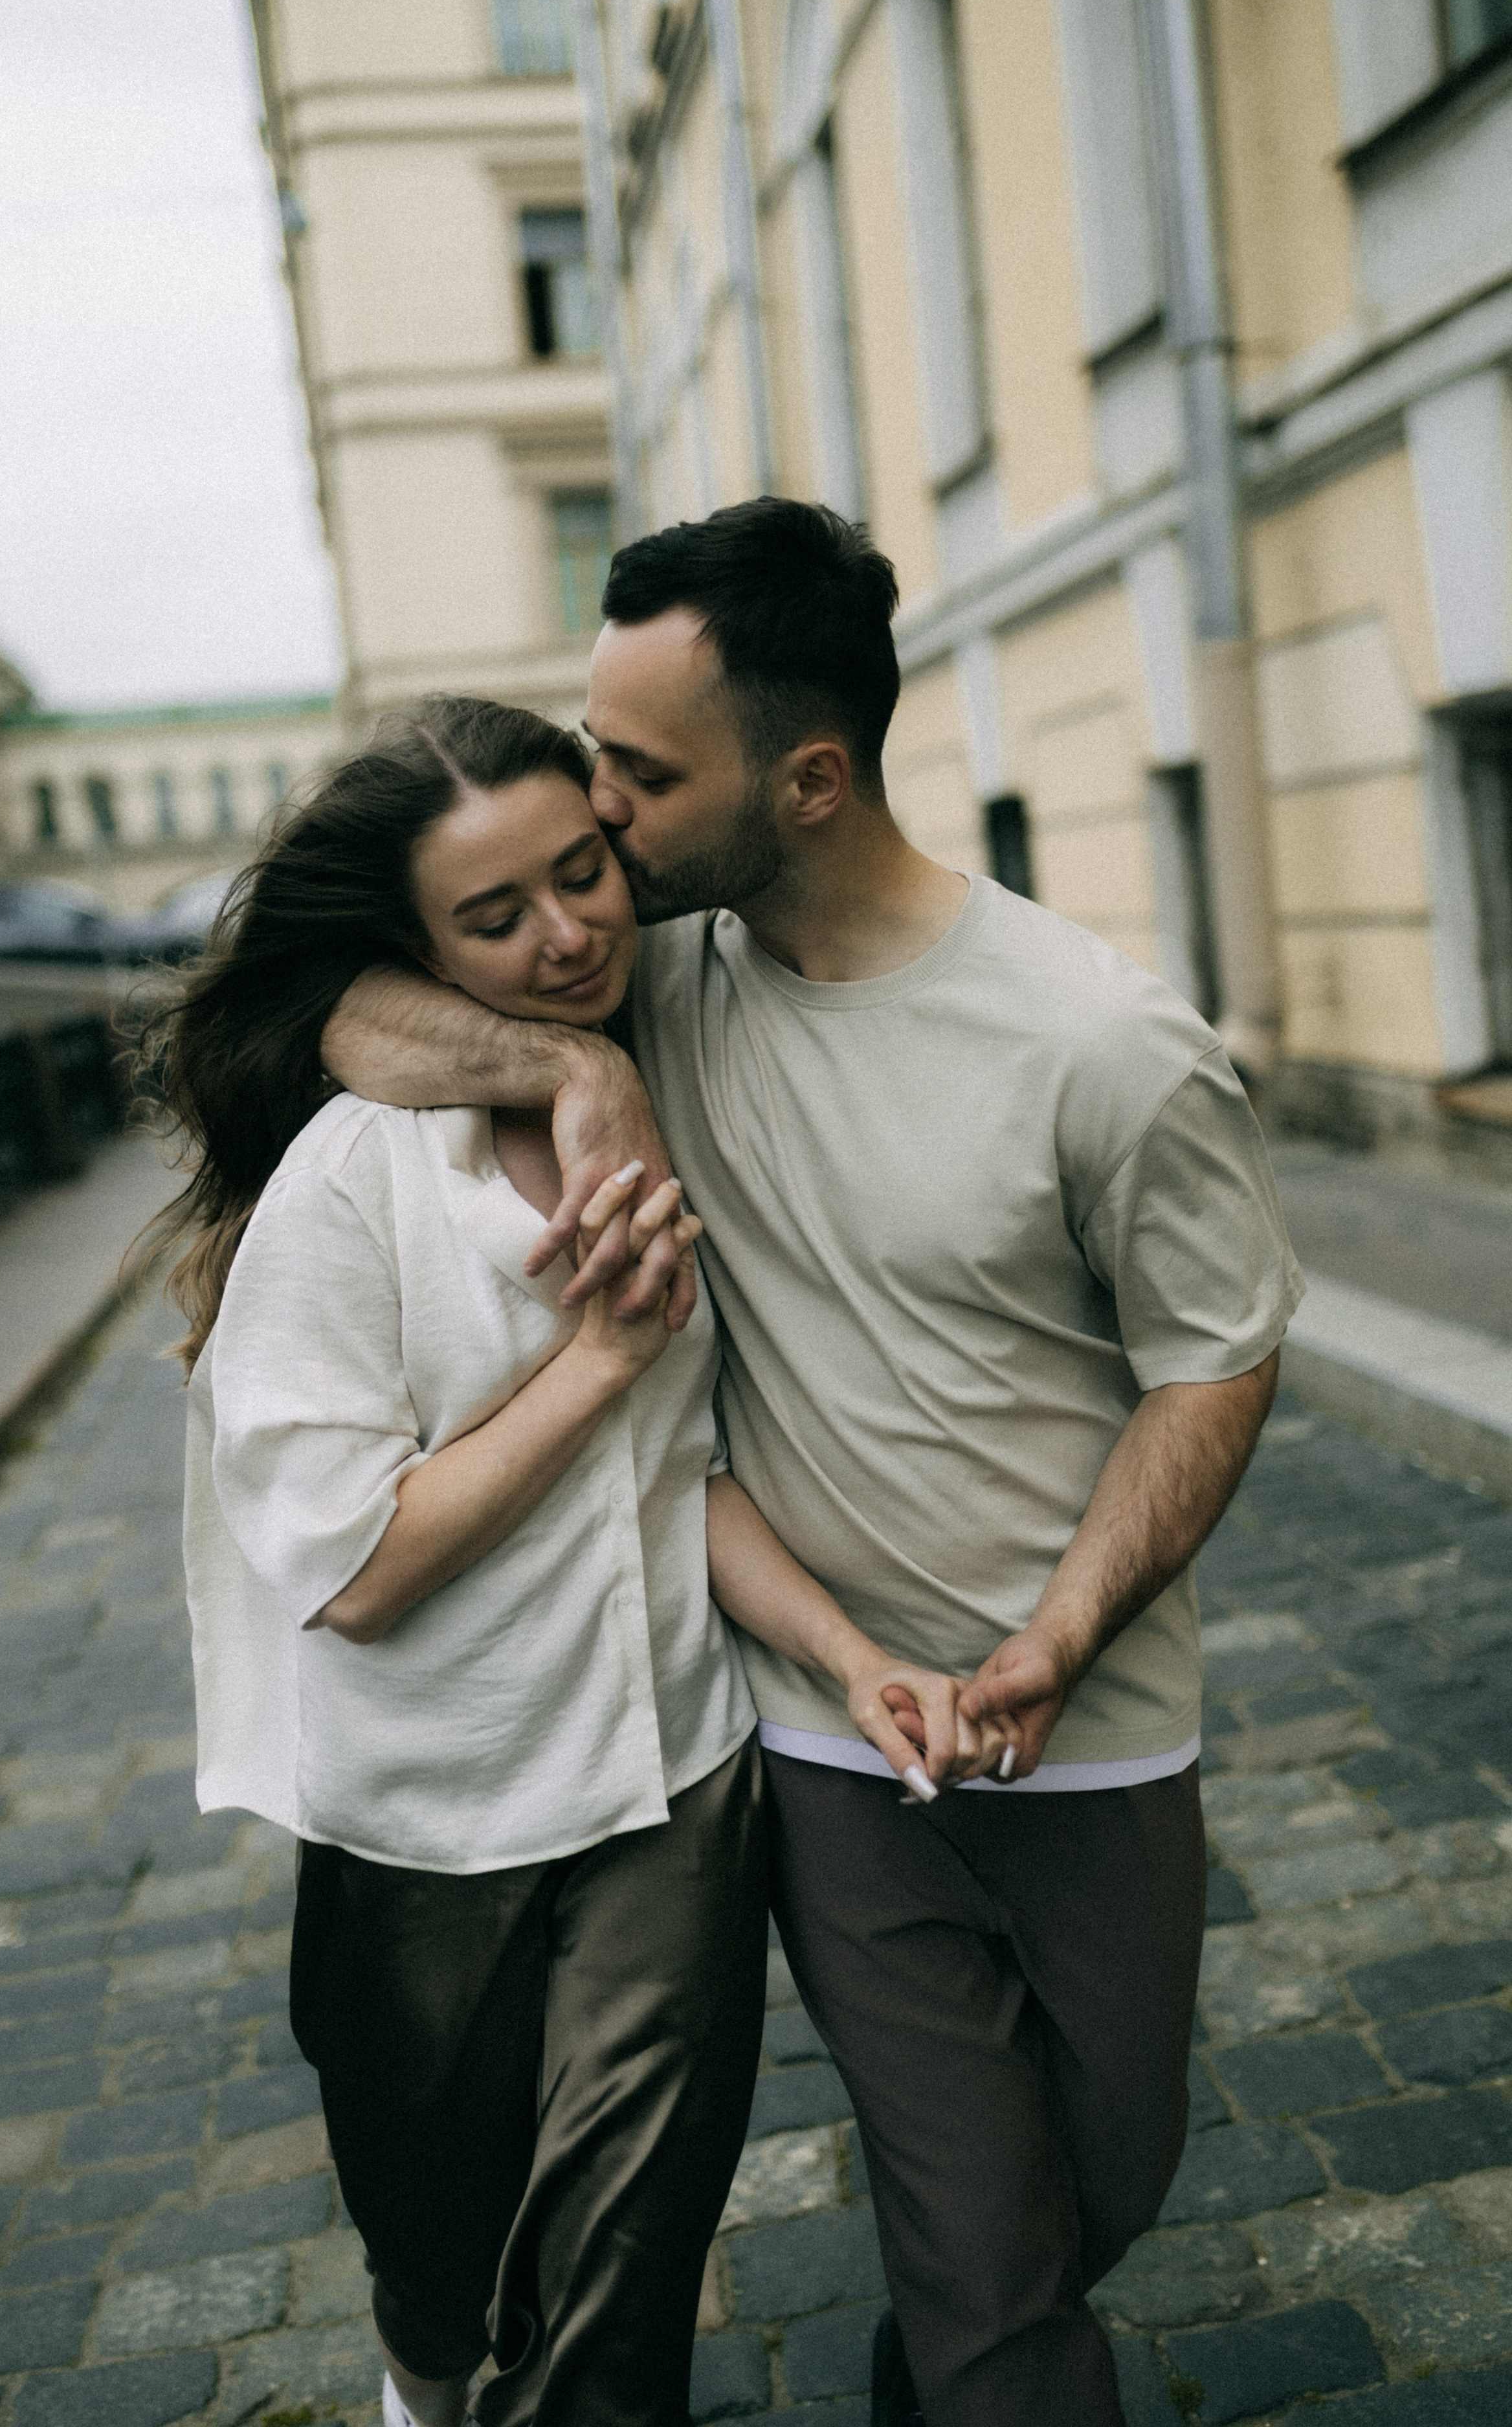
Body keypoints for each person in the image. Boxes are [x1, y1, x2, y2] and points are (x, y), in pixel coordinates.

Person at [322, 502, 1304, 2427]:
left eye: (639, 771)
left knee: (1103, 2185)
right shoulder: (651, 983)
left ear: (812, 779)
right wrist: (575, 1070)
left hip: (1097, 1727)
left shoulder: (1105, 1043)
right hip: (829, 1739)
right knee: (986, 2251)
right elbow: (341, 1008)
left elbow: (1213, 1363)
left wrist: (1065, 1631)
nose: (597, 814)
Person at [155, 695, 1010, 2427]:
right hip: (430, 1825)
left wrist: (851, 1658)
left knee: (618, 2299)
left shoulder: (680, 1068)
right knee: (438, 2275)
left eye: (581, 874)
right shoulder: (351, 1184)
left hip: (671, 1791)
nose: (565, 935)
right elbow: (353, 1570)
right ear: (421, 950)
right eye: (495, 917)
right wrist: (601, 1353)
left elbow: (679, 1480)